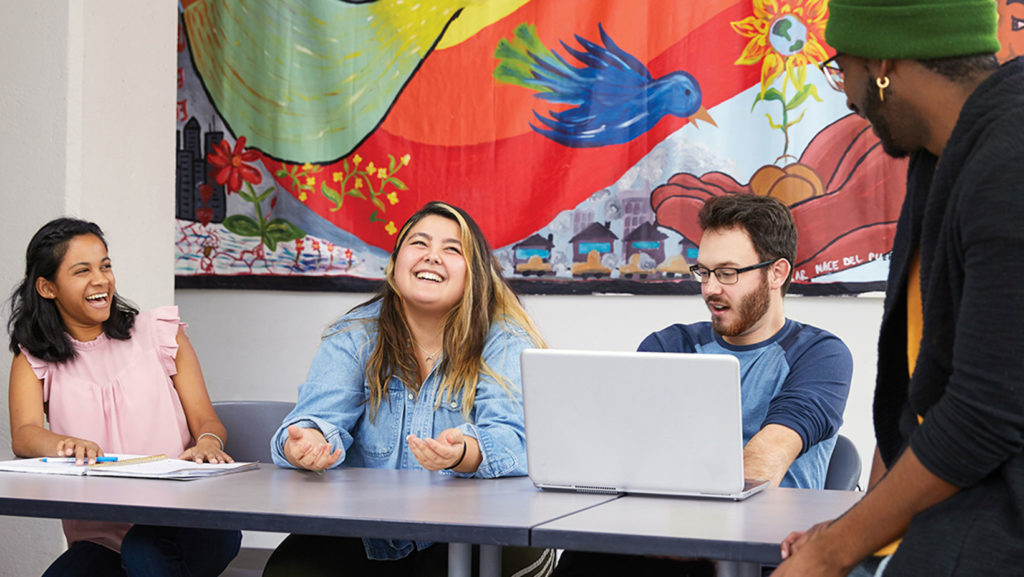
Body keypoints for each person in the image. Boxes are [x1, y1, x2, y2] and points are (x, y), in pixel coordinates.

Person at [774, 1, 1024, 576]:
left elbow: (982, 417)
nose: (845, 96)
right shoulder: (941, 154)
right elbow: (922, 391)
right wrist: (860, 529)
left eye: (844, 69)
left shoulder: (1009, 162)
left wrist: (832, 554)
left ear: (882, 64)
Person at [552, 193, 853, 577]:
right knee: (584, 557)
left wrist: (688, 531)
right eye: (704, 272)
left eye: (728, 273)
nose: (710, 289)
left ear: (776, 273)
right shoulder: (668, 345)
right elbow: (634, 459)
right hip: (665, 539)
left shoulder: (820, 354)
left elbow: (768, 458)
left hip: (765, 553)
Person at [263, 201, 552, 577]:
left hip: (482, 528)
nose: (432, 257)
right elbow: (316, 419)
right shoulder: (354, 334)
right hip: (368, 532)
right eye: (419, 243)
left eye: (452, 249)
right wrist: (305, 443)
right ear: (395, 262)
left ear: (475, 273)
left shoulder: (506, 338)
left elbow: (515, 441)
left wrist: (463, 452)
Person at [6, 217, 241, 577]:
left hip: (190, 519)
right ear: (47, 287)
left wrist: (208, 442)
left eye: (106, 266)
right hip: (103, 537)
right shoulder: (34, 360)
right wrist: (64, 444)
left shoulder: (160, 333)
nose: (101, 280)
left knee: (146, 553)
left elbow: (207, 421)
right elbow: (24, 435)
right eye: (82, 271)